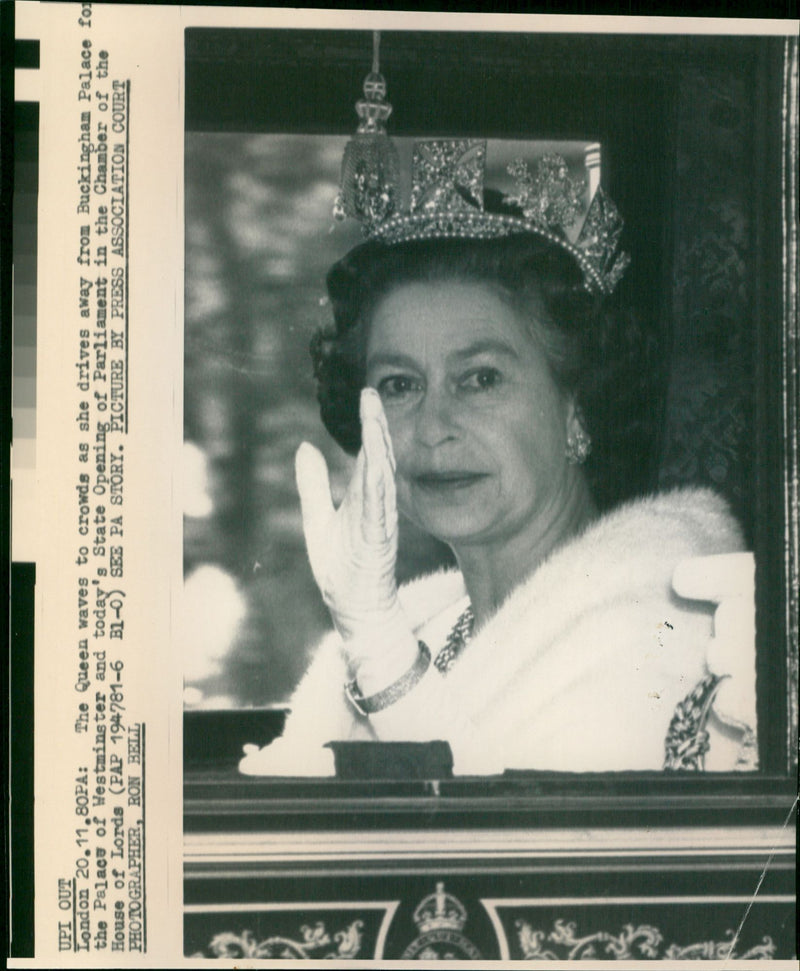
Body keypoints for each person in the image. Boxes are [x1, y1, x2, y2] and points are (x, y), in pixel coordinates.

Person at [239, 140, 756, 777]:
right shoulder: (432, 629)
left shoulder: (661, 626)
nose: (433, 428)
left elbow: (511, 854)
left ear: (577, 408)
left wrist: (380, 652)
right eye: (400, 385)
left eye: (480, 379)